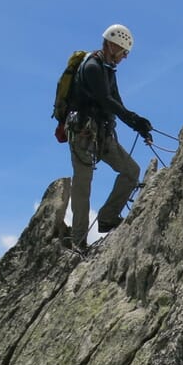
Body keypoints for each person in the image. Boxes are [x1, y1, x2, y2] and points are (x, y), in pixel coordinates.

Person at [65, 24, 153, 252]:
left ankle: (107, 217)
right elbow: (106, 100)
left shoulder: (108, 69)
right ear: (113, 46)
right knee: (83, 185)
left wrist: (138, 125)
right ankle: (78, 242)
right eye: (124, 52)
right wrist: (134, 120)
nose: (125, 57)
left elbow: (116, 102)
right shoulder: (93, 67)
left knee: (131, 171)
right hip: (83, 134)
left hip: (101, 134)